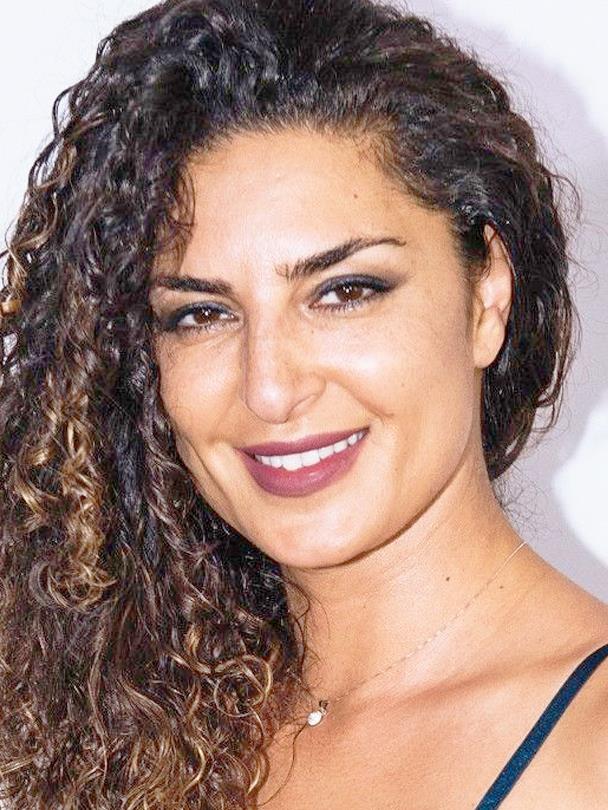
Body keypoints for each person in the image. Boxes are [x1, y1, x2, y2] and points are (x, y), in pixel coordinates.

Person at [0, 0, 606, 807]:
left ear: (486, 295)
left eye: (344, 291)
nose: (270, 388)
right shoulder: (133, 723)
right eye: (201, 314)